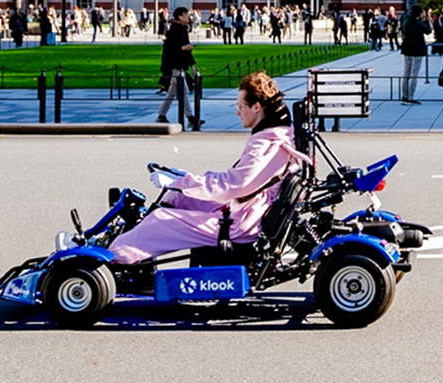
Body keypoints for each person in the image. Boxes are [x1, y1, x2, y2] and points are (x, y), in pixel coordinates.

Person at [111, 72, 308, 264]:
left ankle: (113, 256)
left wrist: (179, 181)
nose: (237, 111)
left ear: (256, 107)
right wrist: (183, 179)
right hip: (249, 209)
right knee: (177, 196)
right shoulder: (274, 135)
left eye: (240, 106)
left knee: (161, 219)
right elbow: (237, 182)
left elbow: (233, 184)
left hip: (245, 221)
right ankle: (135, 245)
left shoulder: (266, 144)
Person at [157, 7, 199, 128]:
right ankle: (190, 117)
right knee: (184, 91)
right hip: (174, 65)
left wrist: (193, 66)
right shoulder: (174, 31)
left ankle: (162, 114)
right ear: (180, 16)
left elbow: (186, 49)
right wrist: (183, 48)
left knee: (172, 92)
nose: (188, 17)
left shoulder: (183, 30)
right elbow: (169, 49)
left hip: (180, 65)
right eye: (186, 15)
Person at [399, 5, 431, 105]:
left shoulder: (406, 21)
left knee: (406, 73)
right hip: (416, 50)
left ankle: (404, 95)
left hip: (407, 49)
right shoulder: (418, 23)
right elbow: (428, 30)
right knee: (414, 75)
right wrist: (424, 19)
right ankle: (411, 96)